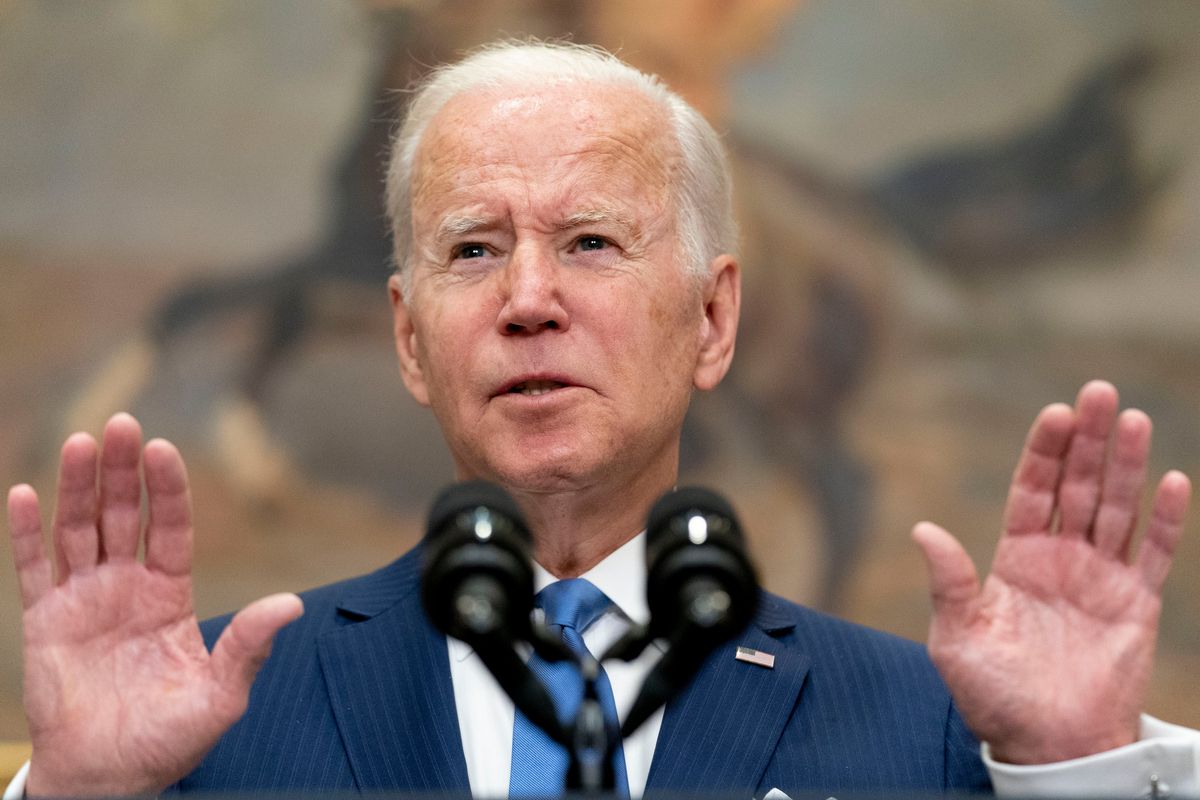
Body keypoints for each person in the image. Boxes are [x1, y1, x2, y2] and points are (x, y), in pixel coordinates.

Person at [5, 41, 1198, 798]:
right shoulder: (208, 720)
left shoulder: (938, 736)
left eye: (590, 243)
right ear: (412, 341)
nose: (530, 300)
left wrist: (1078, 768)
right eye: (474, 250)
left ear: (714, 321)